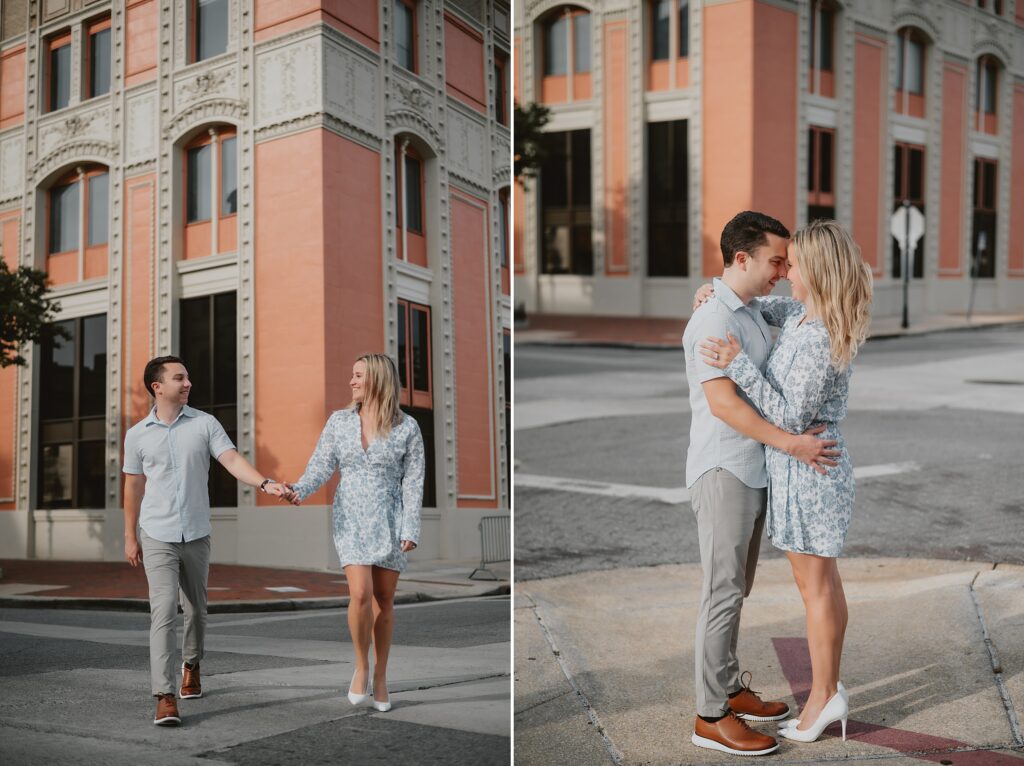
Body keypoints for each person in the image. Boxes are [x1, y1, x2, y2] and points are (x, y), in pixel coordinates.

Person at [699, 219, 872, 744]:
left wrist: (739, 367)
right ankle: (828, 688)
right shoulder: (802, 314)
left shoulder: (820, 335)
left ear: (816, 271)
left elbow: (791, 418)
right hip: (801, 470)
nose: (785, 272)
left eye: (792, 265)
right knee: (821, 585)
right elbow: (757, 305)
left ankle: (822, 697)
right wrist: (715, 290)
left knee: (815, 589)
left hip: (812, 471)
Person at [123, 356, 293, 726]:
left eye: (187, 377)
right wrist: (129, 535)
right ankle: (164, 694)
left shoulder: (205, 424)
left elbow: (231, 459)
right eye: (179, 378)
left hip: (196, 533)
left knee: (196, 610)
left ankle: (192, 664)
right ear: (158, 386)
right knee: (164, 610)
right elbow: (133, 485)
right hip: (157, 534)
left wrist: (264, 482)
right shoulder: (137, 434)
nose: (187, 383)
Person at [287, 353, 425, 713]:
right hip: (350, 517)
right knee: (360, 593)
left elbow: (413, 482)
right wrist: (298, 490)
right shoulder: (339, 421)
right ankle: (362, 667)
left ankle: (381, 677)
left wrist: (411, 526)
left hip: (390, 518)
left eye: (358, 375)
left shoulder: (407, 427)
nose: (351, 381)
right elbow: (321, 465)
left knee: (385, 598)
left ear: (377, 380)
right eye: (352, 375)